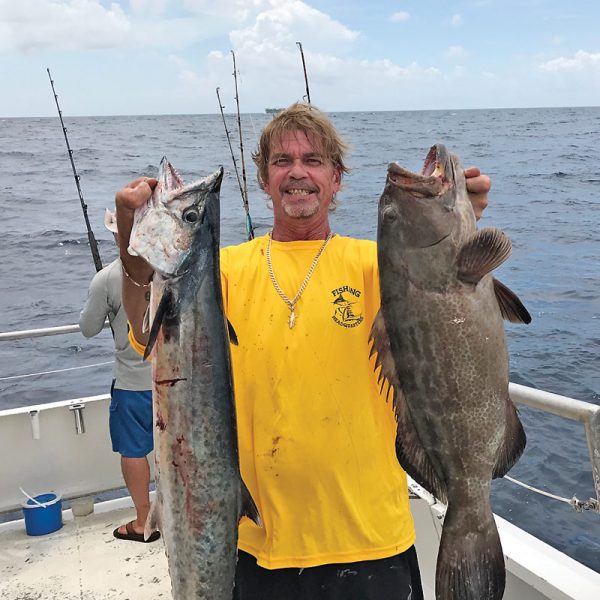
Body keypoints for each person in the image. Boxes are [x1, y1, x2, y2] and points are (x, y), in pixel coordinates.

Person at [115, 103, 491, 598]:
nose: (297, 172)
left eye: (313, 160)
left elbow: (446, 316)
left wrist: (459, 229)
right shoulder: (221, 269)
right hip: (255, 543)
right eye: (281, 161)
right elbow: (147, 326)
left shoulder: (377, 264)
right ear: (264, 181)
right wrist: (130, 241)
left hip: (372, 541)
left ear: (336, 180)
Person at [79, 209, 159, 544]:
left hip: (132, 386)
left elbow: (87, 329)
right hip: (176, 384)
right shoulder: (169, 270)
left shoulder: (107, 278)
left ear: (118, 234)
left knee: (133, 451)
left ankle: (144, 521)